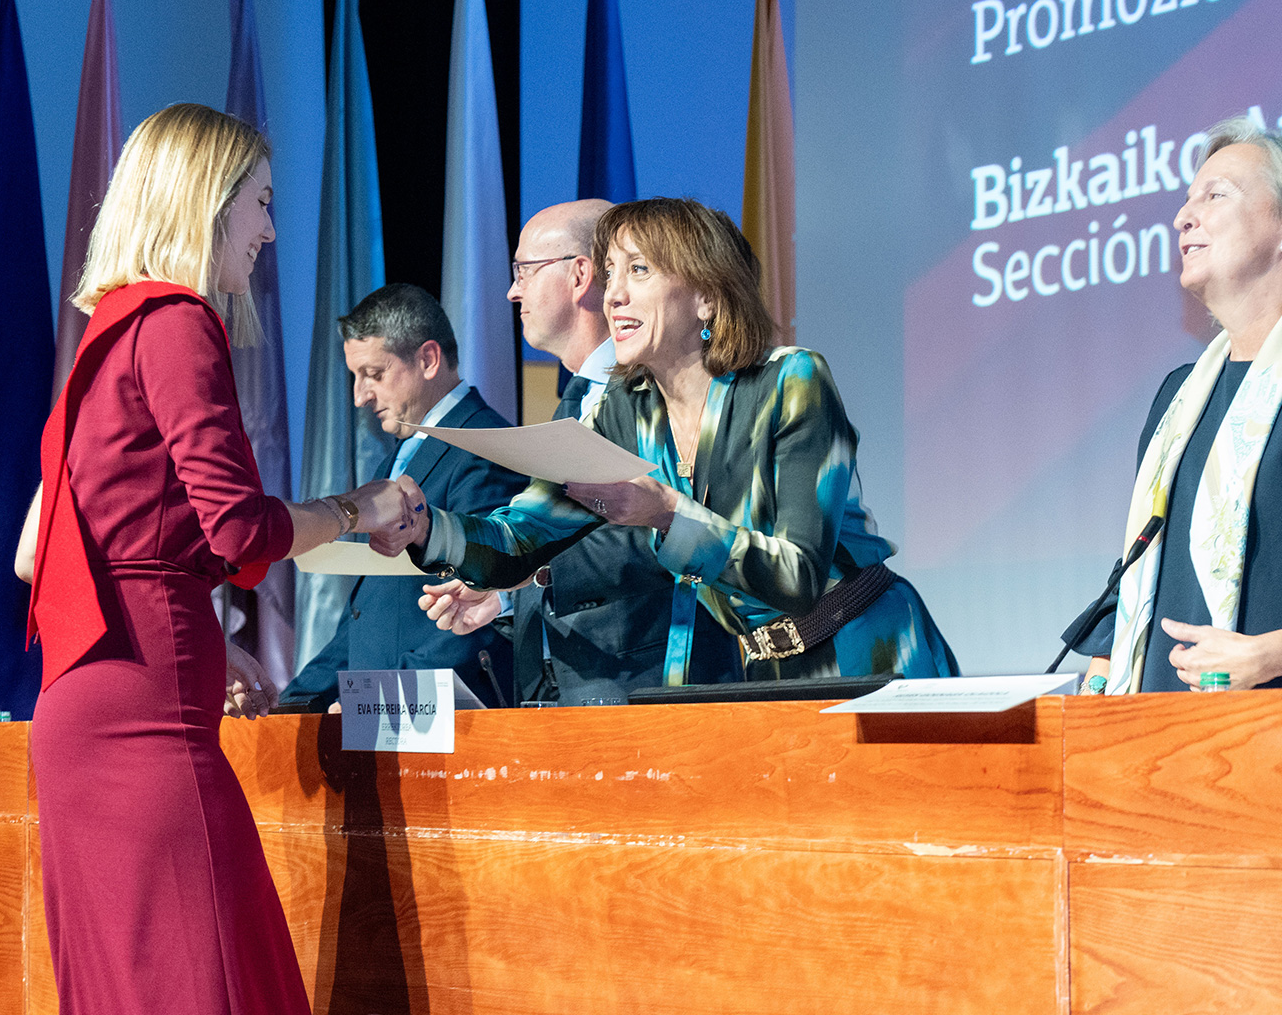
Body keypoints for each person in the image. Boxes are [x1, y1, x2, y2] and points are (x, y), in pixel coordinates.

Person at [15, 103, 413, 1015]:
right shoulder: (178, 322)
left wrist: (207, 631)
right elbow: (240, 531)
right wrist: (357, 507)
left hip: (78, 710)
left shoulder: (103, 336)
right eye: (261, 203)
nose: (270, 229)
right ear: (209, 199)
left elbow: (35, 554)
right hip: (148, 724)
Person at [400, 198, 958, 684]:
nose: (614, 294)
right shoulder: (621, 408)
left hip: (872, 655)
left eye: (638, 270)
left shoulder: (791, 380)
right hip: (764, 677)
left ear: (707, 298)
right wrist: (422, 525)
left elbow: (798, 576)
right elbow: (521, 537)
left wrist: (669, 515)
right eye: (611, 273)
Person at [1072, 119, 1282, 694]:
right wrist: (1101, 674)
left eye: (1216, 196)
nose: (1183, 217)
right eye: (1187, 200)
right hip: (1163, 727)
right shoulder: (1179, 397)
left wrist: (1270, 654)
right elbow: (1142, 564)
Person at [473, 199, 693, 705]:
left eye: (523, 271)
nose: (512, 291)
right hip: (554, 696)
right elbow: (554, 538)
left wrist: (531, 568)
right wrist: (502, 594)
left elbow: (681, 529)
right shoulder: (573, 401)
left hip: (644, 691)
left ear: (578, 276)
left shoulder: (666, 388)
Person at [282, 283, 529, 710]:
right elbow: (365, 614)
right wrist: (291, 704)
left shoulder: (487, 447)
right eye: (356, 377)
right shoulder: (396, 458)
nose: (360, 396)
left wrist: (379, 699)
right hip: (384, 714)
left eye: (373, 374)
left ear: (428, 359)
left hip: (444, 723)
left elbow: (475, 608)